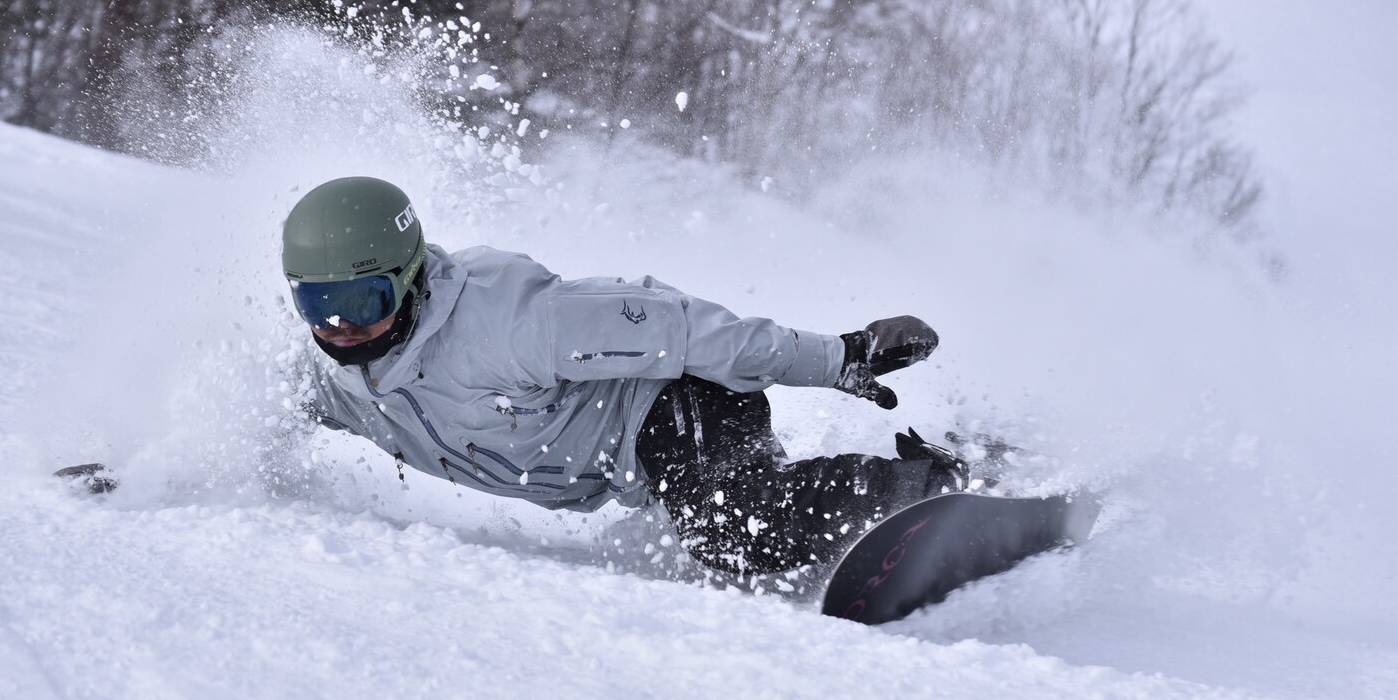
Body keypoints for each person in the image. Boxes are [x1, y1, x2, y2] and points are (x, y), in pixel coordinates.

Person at [283, 176, 969, 575]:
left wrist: (839, 356)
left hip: (674, 402)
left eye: (363, 301)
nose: (341, 328)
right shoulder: (332, 381)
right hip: (631, 467)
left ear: (406, 278)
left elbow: (678, 328)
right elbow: (239, 411)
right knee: (737, 539)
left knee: (734, 530)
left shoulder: (510, 322)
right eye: (317, 304)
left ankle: (923, 491)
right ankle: (858, 515)